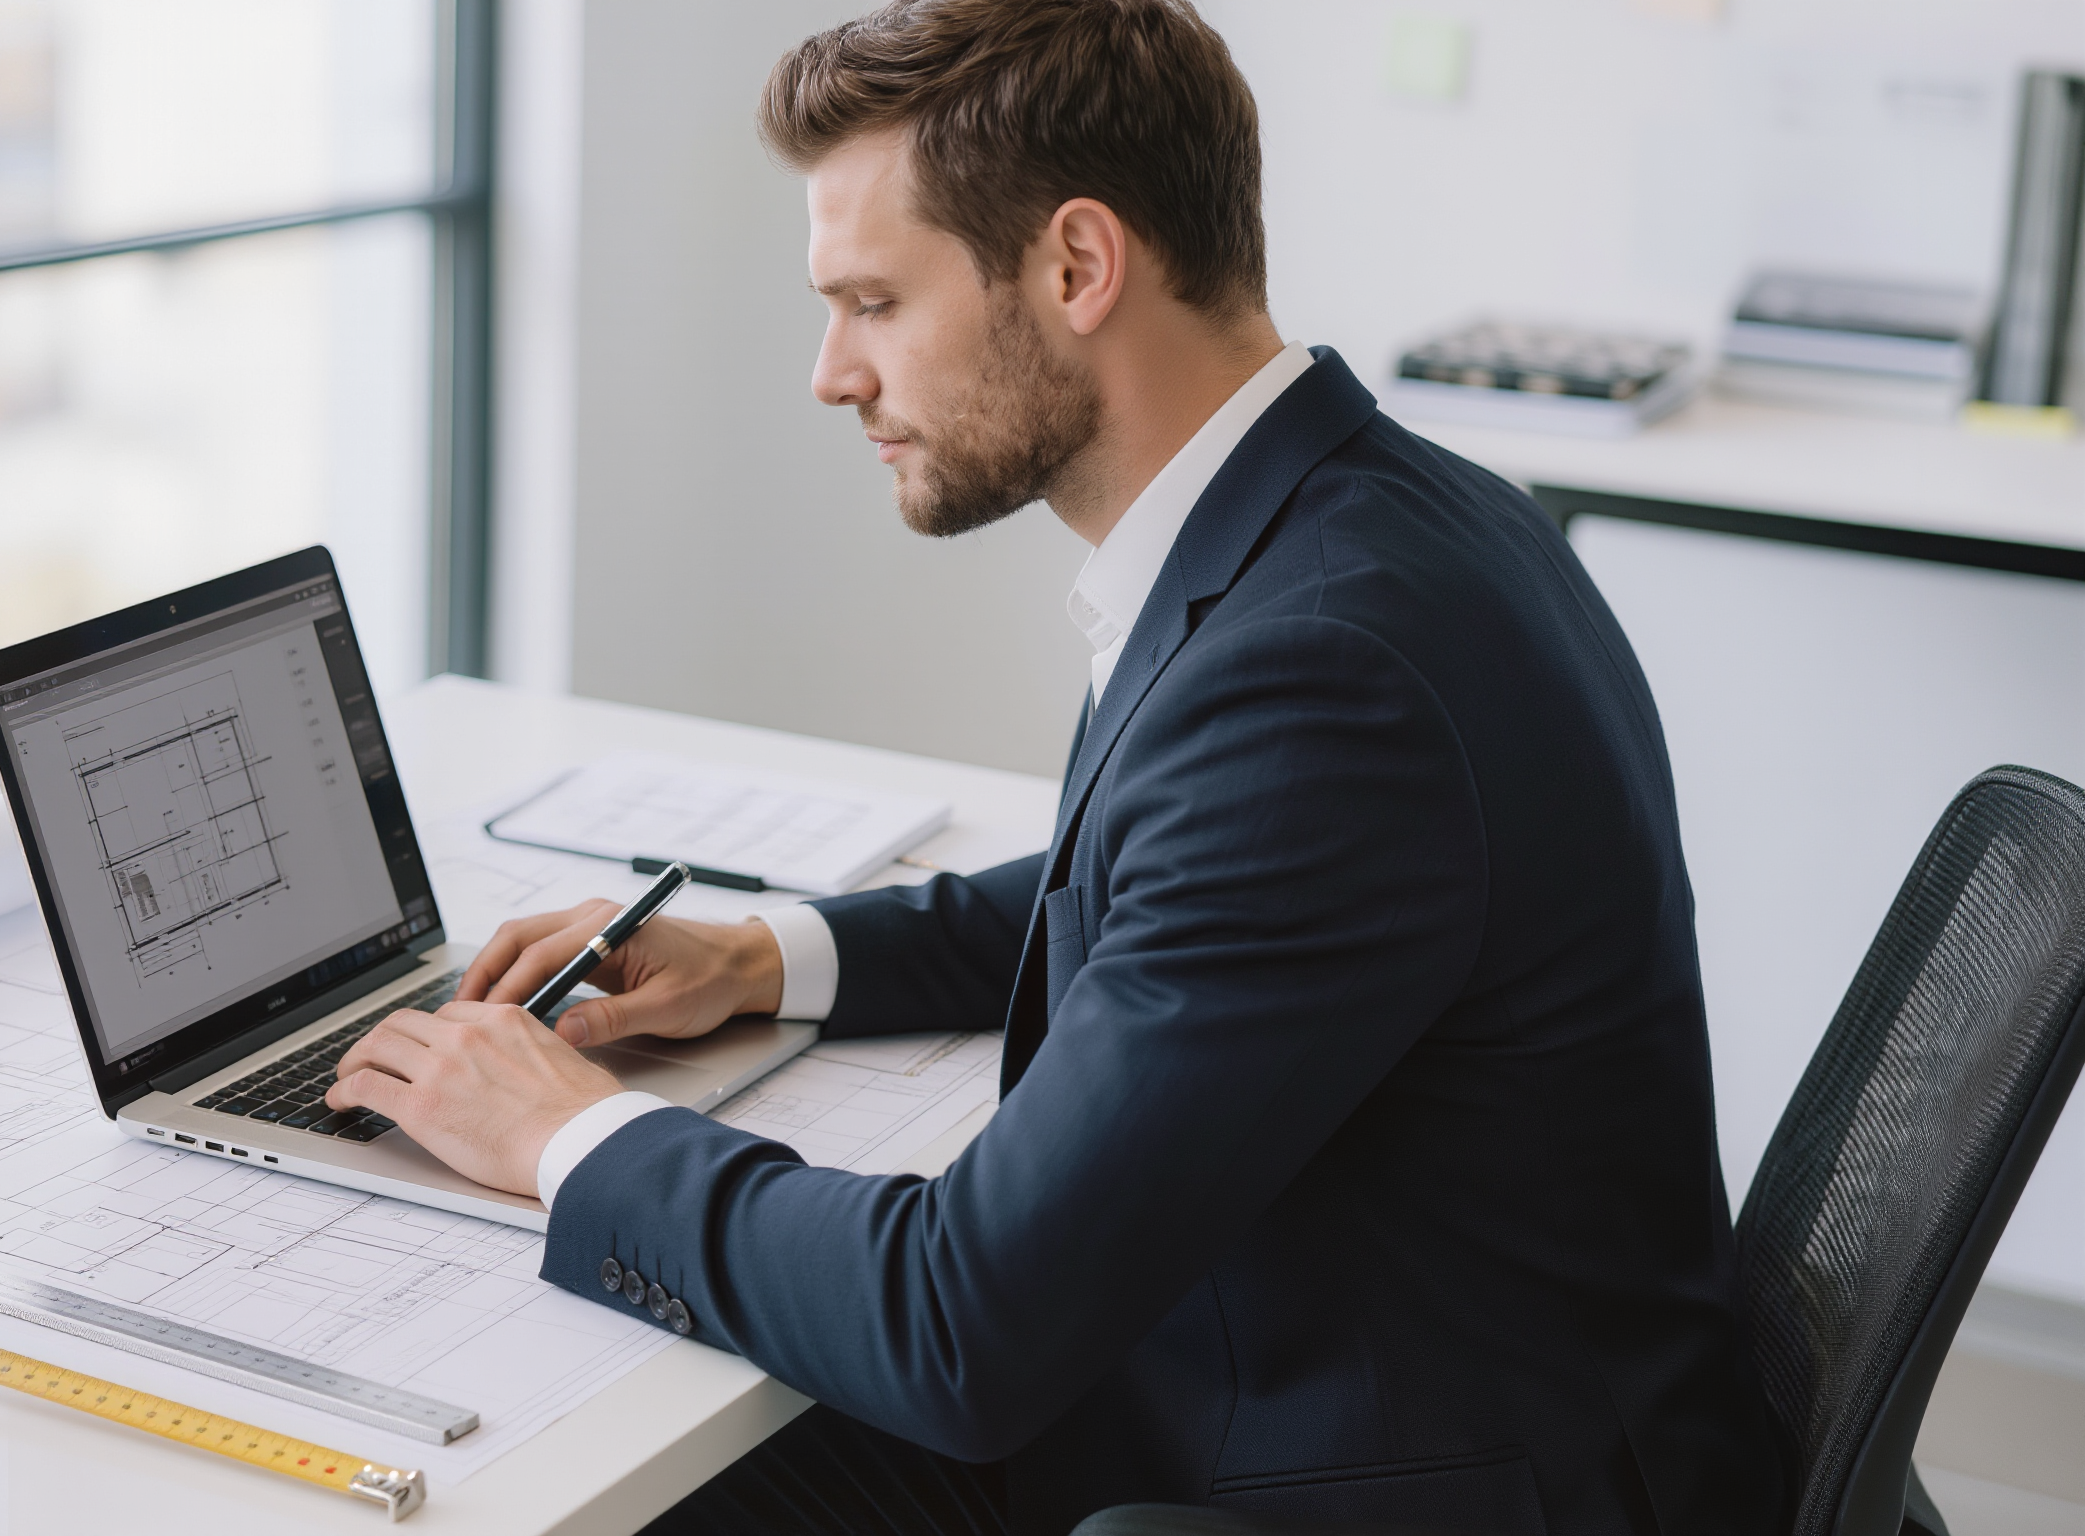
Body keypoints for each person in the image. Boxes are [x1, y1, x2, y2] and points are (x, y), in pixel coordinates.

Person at [323, 2, 1790, 1533]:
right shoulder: (1378, 522)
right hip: (1355, 1382)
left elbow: (963, 1330)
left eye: (874, 302)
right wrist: (765, 957)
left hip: (1366, 1483)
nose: (832, 373)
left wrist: (561, 1132)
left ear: (1078, 266)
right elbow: (1162, 883)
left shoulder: (1323, 680)